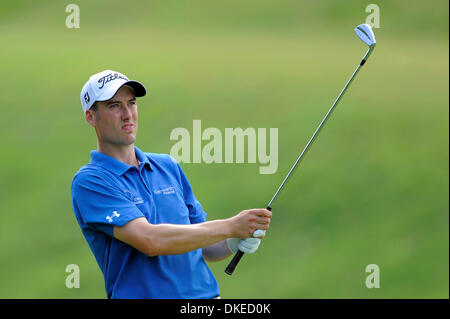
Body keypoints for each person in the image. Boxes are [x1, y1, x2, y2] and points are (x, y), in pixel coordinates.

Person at [71, 70, 272, 299]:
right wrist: (230, 226)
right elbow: (150, 240)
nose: (127, 114)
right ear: (91, 116)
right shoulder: (91, 181)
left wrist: (233, 241)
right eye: (114, 105)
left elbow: (205, 248)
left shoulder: (167, 166)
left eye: (132, 103)